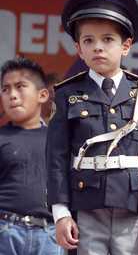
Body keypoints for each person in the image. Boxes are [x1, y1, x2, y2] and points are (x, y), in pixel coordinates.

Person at [47, 0, 138, 255]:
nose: (98, 47)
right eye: (88, 40)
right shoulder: (68, 94)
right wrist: (61, 213)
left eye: (108, 39)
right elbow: (55, 159)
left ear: (126, 46)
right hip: (86, 208)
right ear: (79, 49)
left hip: (131, 207)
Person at [0, 57, 64, 255]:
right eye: (5, 89)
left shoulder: (59, 140)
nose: (12, 95)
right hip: (5, 231)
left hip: (49, 235)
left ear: (43, 95)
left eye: (20, 87)